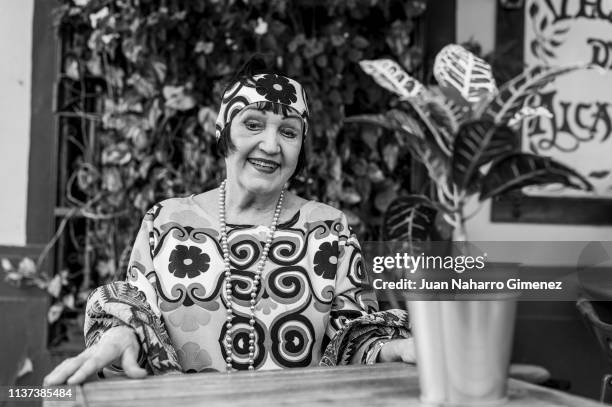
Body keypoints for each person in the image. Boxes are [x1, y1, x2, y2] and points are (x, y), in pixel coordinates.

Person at [44, 59, 414, 385]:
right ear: (223, 132)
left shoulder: (329, 229)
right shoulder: (167, 223)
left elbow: (354, 338)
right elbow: (141, 317)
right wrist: (123, 335)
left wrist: (396, 347)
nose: (271, 145)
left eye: (288, 131)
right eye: (253, 124)